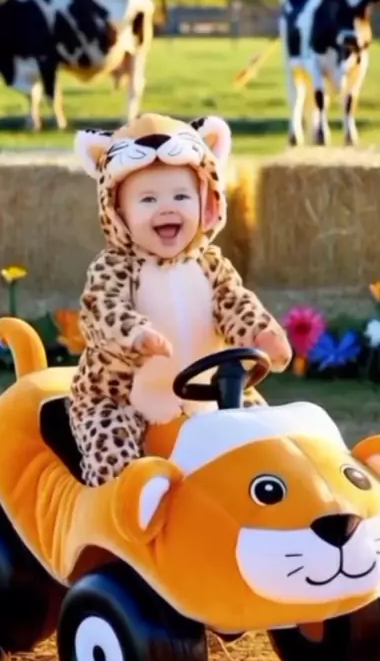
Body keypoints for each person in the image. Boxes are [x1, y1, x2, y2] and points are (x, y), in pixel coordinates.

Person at [69, 112, 292, 486]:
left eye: (181, 196)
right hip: (123, 398)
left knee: (271, 443)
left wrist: (261, 333)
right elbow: (103, 310)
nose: (167, 207)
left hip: (213, 390)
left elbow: (234, 302)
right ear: (118, 212)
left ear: (206, 201)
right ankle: (115, 510)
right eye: (148, 199)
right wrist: (136, 335)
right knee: (113, 460)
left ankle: (279, 508)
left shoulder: (211, 265)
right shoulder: (115, 266)